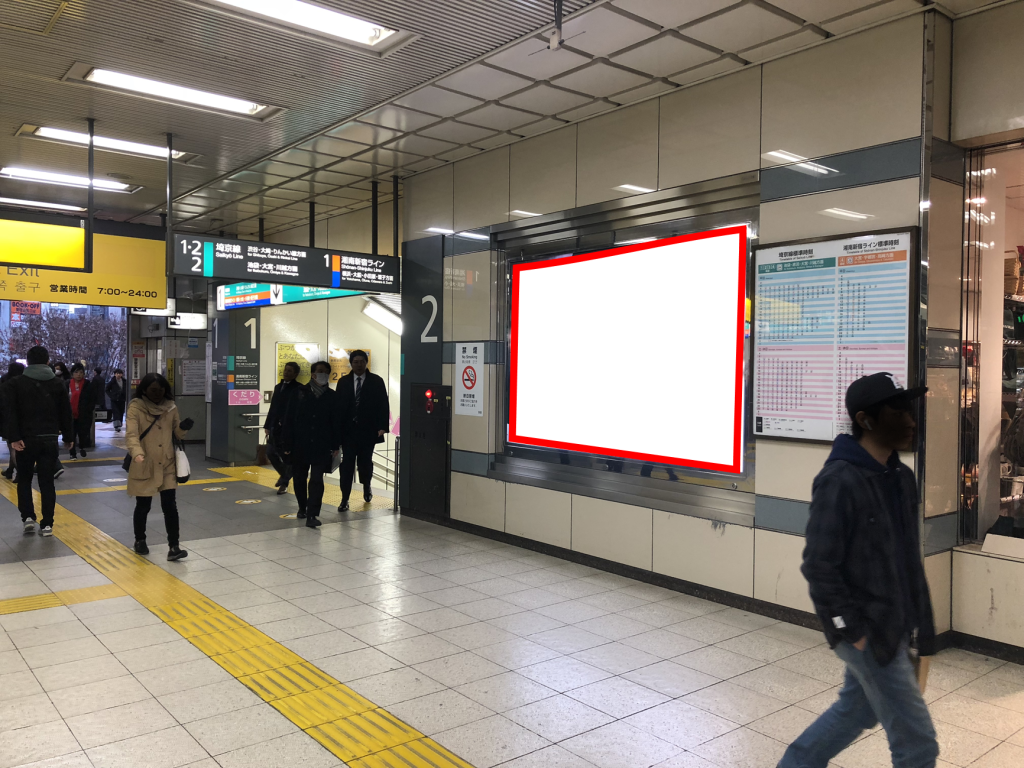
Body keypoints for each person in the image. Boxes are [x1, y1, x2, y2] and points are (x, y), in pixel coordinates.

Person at [777, 372, 938, 768]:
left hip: (895, 624)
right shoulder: (839, 480)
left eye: (909, 409)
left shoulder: (901, 478)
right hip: (868, 632)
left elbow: (907, 560)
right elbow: (819, 565)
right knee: (918, 744)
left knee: (856, 712)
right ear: (866, 420)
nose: (910, 419)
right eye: (897, 411)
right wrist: (851, 630)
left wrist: (923, 624)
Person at [2, 346, 74, 536]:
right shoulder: (57, 383)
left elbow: (10, 413)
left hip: (25, 441)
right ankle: (48, 524)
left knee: (24, 479)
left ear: (28, 361)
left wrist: (14, 438)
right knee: (47, 482)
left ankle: (27, 518)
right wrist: (68, 437)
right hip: (49, 439)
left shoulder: (16, 383)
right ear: (48, 362)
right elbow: (65, 412)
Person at [126, 372, 194, 560]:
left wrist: (184, 427)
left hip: (167, 463)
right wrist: (137, 453)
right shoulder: (136, 407)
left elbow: (177, 434)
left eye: (161, 390)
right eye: (153, 390)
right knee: (143, 505)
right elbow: (131, 434)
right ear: (144, 390)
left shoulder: (170, 407)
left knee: (170, 505)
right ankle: (140, 540)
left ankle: (174, 546)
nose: (157, 394)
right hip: (145, 462)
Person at [281, 361, 342, 528]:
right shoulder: (299, 393)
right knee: (300, 478)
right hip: (299, 444)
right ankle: (302, 507)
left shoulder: (332, 396)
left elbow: (336, 422)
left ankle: (312, 514)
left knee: (317, 480)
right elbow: (288, 419)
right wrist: (286, 444)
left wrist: (336, 445)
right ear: (312, 374)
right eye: (319, 371)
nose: (323, 375)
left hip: (321, 445)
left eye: (325, 372)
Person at [336, 350, 389, 512]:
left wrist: (382, 426)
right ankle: (344, 499)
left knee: (365, 462)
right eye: (355, 362)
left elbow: (383, 404)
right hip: (348, 432)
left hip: (368, 431)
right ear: (351, 363)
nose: (359, 365)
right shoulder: (343, 382)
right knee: (347, 465)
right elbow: (338, 407)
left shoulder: (376, 381)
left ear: (366, 363)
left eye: (361, 361)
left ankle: (367, 485)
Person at [264, 361, 302, 495]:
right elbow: (273, 407)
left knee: (288, 458)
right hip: (275, 427)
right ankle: (284, 476)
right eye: (285, 370)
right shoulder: (278, 387)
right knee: (270, 452)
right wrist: (267, 425)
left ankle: (284, 483)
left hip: (290, 429)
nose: (286, 373)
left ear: (296, 374)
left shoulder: (299, 389)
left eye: (290, 371)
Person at [0, 362, 25, 480]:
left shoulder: (4, 382)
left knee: (12, 446)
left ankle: (18, 471)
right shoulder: (24, 382)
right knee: (16, 447)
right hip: (22, 419)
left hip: (7, 419)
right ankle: (11, 469)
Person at [67, 364, 95, 458]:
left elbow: (92, 399)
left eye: (81, 372)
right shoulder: (67, 384)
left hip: (84, 414)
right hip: (70, 414)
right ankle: (72, 453)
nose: (79, 374)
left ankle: (82, 447)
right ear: (72, 373)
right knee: (72, 434)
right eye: (76, 372)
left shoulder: (87, 384)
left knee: (83, 433)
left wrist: (88, 410)